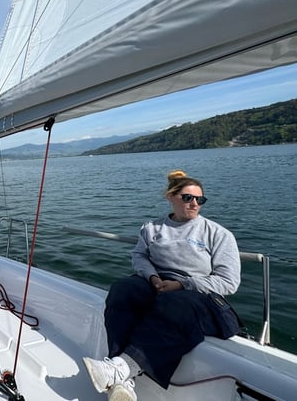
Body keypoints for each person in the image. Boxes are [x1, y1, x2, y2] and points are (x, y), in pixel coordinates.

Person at [83, 170, 241, 401]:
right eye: (188, 198)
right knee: (123, 290)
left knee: (175, 303)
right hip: (156, 284)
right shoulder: (152, 228)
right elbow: (140, 257)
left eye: (200, 199)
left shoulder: (218, 234)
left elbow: (229, 282)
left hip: (197, 294)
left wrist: (182, 284)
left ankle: (120, 368)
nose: (195, 203)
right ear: (171, 197)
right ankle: (124, 379)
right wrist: (152, 278)